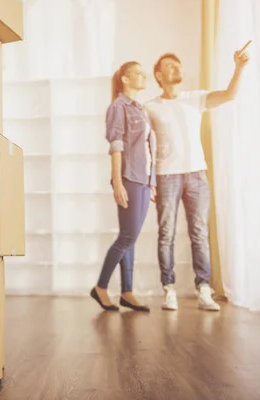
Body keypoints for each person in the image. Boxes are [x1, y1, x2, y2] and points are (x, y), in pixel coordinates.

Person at [144, 45, 251, 311]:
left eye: (178, 65)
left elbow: (229, 95)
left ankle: (204, 289)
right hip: (165, 176)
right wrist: (150, 181)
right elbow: (143, 146)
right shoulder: (150, 107)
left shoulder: (195, 98)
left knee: (199, 234)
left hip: (196, 176)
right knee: (166, 234)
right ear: (158, 75)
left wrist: (238, 68)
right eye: (170, 66)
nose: (177, 68)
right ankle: (168, 289)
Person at [90, 61, 157, 312]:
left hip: (142, 179)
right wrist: (118, 182)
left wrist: (152, 183)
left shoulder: (140, 108)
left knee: (131, 239)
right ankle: (101, 288)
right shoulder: (118, 107)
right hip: (129, 178)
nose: (143, 76)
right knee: (127, 237)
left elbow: (147, 148)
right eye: (138, 73)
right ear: (125, 79)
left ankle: (127, 292)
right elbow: (116, 145)